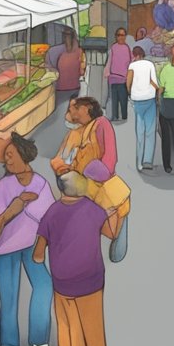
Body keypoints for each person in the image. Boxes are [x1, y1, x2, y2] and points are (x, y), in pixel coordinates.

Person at [0, 133, 56, 346]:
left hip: (32, 244)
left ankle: (39, 338)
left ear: (24, 155)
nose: (8, 161)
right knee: (9, 295)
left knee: (44, 285)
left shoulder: (40, 183)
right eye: (5, 157)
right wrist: (13, 209)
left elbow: (49, 216)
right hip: (6, 247)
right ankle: (9, 345)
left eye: (11, 156)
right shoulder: (4, 185)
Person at [34, 172, 118, 346]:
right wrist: (112, 213)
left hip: (61, 287)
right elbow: (111, 233)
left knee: (69, 336)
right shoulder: (93, 210)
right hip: (90, 284)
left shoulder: (51, 212)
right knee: (94, 338)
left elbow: (37, 255)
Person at [51, 97, 127, 259]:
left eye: (75, 108)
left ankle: (117, 226)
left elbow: (109, 160)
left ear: (86, 108)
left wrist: (92, 172)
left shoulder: (101, 124)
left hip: (96, 182)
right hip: (75, 183)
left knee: (103, 213)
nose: (71, 112)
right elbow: (59, 158)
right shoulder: (72, 134)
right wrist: (61, 167)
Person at [126, 46, 160, 172]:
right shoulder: (150, 64)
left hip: (137, 100)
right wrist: (158, 90)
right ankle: (147, 161)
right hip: (149, 99)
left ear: (134, 55)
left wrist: (130, 93)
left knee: (140, 131)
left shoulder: (132, 66)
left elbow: (128, 82)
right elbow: (153, 81)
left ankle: (139, 162)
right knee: (150, 130)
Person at [46, 28, 87, 120]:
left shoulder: (54, 51)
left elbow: (49, 69)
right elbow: (82, 71)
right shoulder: (79, 51)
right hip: (74, 87)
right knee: (71, 111)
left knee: (59, 114)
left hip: (60, 88)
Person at [105, 28, 132, 124]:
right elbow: (109, 61)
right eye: (119, 35)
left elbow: (131, 63)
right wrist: (107, 73)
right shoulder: (113, 48)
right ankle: (115, 116)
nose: (121, 37)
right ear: (116, 36)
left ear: (125, 36)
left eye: (123, 35)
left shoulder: (128, 48)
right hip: (113, 78)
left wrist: (130, 76)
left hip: (123, 79)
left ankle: (124, 117)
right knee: (114, 100)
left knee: (123, 99)